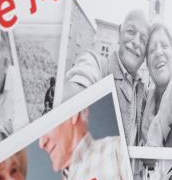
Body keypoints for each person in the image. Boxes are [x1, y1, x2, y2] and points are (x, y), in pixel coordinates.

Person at [63, 10, 149, 142]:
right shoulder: (97, 65)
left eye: (143, 39)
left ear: (145, 56)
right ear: (119, 34)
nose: (136, 42)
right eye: (131, 31)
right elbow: (78, 85)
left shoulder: (142, 91)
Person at [141, 23, 172, 147]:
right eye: (152, 50)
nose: (158, 52)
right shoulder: (143, 104)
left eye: (164, 46)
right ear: (147, 64)